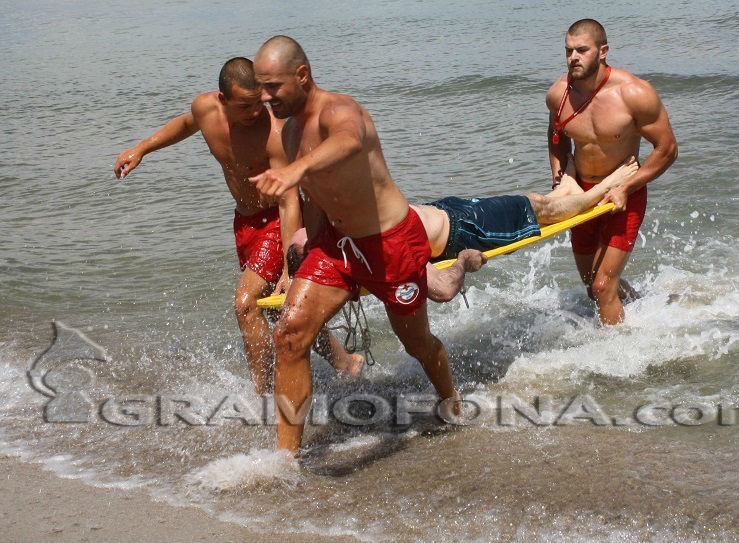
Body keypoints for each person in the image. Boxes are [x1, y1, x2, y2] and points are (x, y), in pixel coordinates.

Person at [249, 36, 461, 456]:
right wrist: (302, 257)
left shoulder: (341, 111)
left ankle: (451, 405)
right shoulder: (290, 132)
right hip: (336, 246)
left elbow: (348, 142)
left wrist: (296, 169)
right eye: (260, 86)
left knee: (416, 343)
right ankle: (285, 459)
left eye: (272, 86)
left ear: (302, 75)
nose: (264, 96)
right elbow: (314, 199)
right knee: (290, 335)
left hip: (391, 244)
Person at [112, 58, 362, 396]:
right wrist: (142, 148)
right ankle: (345, 362)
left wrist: (290, 268)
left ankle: (263, 393)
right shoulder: (205, 108)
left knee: (245, 303)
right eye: (244, 105)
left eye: (259, 102)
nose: (255, 111)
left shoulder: (274, 133)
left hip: (277, 221)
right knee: (278, 310)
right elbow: (187, 125)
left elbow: (290, 200)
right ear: (222, 99)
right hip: (244, 222)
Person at [287, 156, 638, 303]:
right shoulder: (375, 249)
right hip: (466, 232)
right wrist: (463, 264)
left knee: (534, 203)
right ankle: (602, 188)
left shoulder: (339, 227)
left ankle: (567, 190)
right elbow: (441, 290)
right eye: (312, 243)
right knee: (537, 209)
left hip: (446, 208)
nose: (316, 235)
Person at [546, 19, 678, 325]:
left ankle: (620, 359)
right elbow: (556, 136)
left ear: (603, 51)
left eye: (582, 50)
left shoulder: (634, 93)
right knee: (594, 287)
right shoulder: (559, 94)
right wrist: (560, 178)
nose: (573, 58)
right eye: (568, 51)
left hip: (624, 194)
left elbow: (667, 149)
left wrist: (625, 187)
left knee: (602, 286)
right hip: (582, 196)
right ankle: (643, 305)